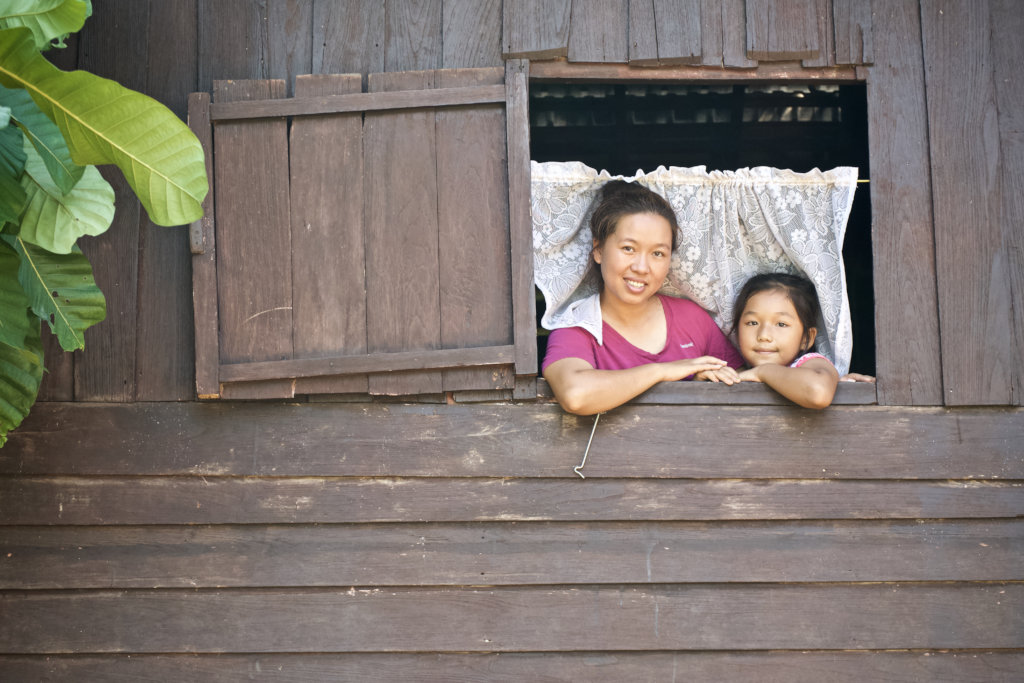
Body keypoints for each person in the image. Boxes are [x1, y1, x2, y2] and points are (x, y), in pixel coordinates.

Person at [542, 180, 744, 415]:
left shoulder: (692, 319)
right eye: (628, 248)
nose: (641, 267)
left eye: (657, 253)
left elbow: (740, 384)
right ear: (598, 250)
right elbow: (576, 396)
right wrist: (663, 371)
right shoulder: (578, 328)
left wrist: (705, 383)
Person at [728, 272, 848, 409]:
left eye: (781, 324)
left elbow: (818, 393)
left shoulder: (810, 363)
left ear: (805, 338)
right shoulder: (737, 369)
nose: (764, 335)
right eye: (752, 323)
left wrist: (763, 372)